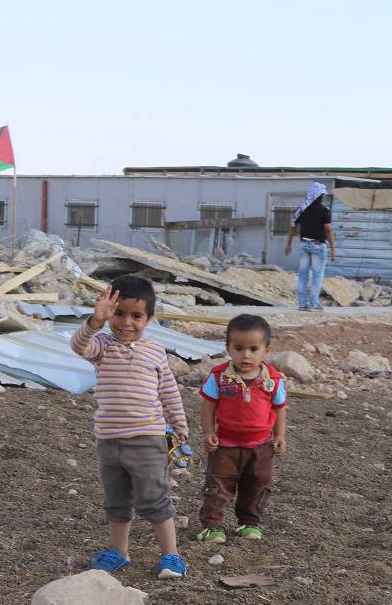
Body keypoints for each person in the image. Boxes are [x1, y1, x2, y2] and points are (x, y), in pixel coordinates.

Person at [70, 274, 190, 579]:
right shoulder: (102, 346)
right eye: (119, 313)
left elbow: (168, 391)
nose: (126, 322)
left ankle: (171, 555)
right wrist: (96, 321)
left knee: (155, 497)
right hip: (109, 442)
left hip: (148, 439)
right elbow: (78, 346)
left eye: (136, 316)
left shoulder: (156, 351)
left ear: (148, 318)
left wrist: (179, 423)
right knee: (116, 501)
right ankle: (120, 553)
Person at [196, 314, 287, 543]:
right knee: (218, 485)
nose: (246, 355)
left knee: (257, 485)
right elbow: (208, 406)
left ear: (266, 350)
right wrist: (209, 432)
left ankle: (249, 523)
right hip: (225, 444)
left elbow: (279, 408)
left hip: (261, 446)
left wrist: (279, 435)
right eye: (238, 348)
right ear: (228, 348)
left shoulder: (273, 379)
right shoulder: (219, 376)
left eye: (253, 349)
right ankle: (212, 526)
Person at [284, 182, 337, 311]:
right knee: (317, 276)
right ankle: (313, 304)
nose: (323, 197)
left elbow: (292, 227)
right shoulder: (324, 210)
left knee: (303, 275)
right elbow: (328, 229)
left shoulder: (301, 209)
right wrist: (333, 249)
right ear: (319, 196)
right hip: (318, 245)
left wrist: (289, 244)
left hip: (304, 245)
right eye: (322, 195)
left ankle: (302, 304)